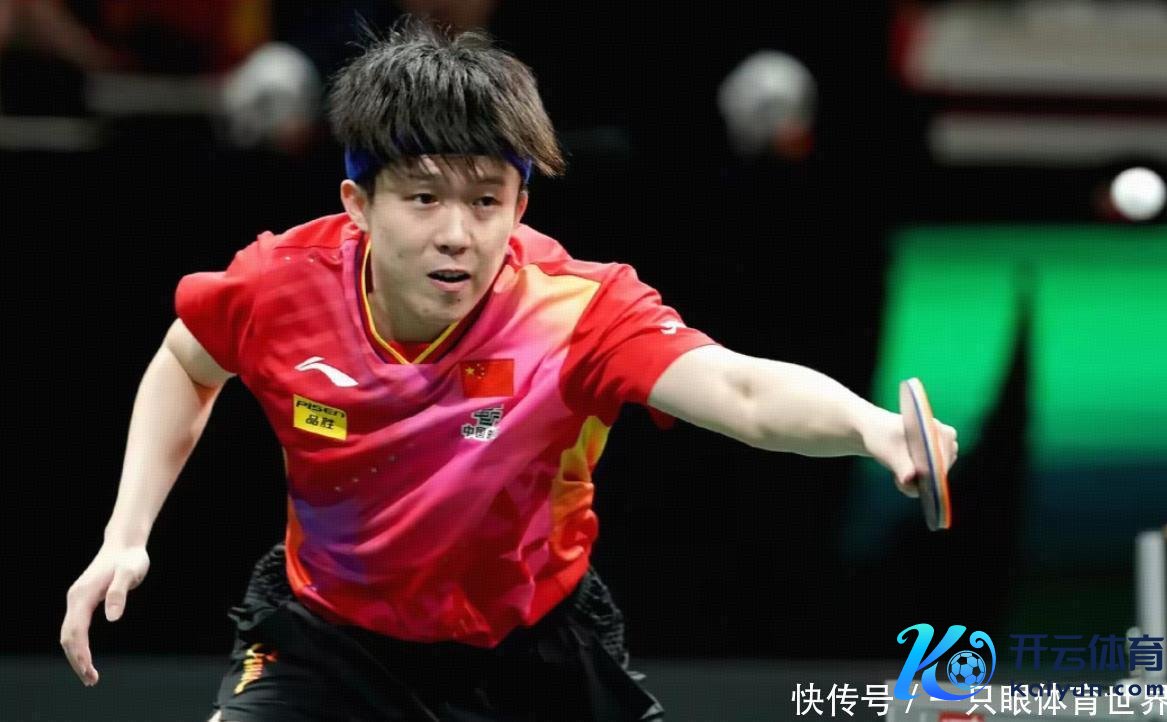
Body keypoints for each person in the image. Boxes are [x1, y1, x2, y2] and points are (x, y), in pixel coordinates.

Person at [60, 18, 957, 722]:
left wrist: (869, 428)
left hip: (533, 650)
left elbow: (741, 391)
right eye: (422, 197)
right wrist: (126, 533)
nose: (457, 233)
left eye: (486, 199)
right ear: (358, 204)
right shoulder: (279, 284)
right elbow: (185, 362)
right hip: (326, 640)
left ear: (520, 203)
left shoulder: (577, 311)